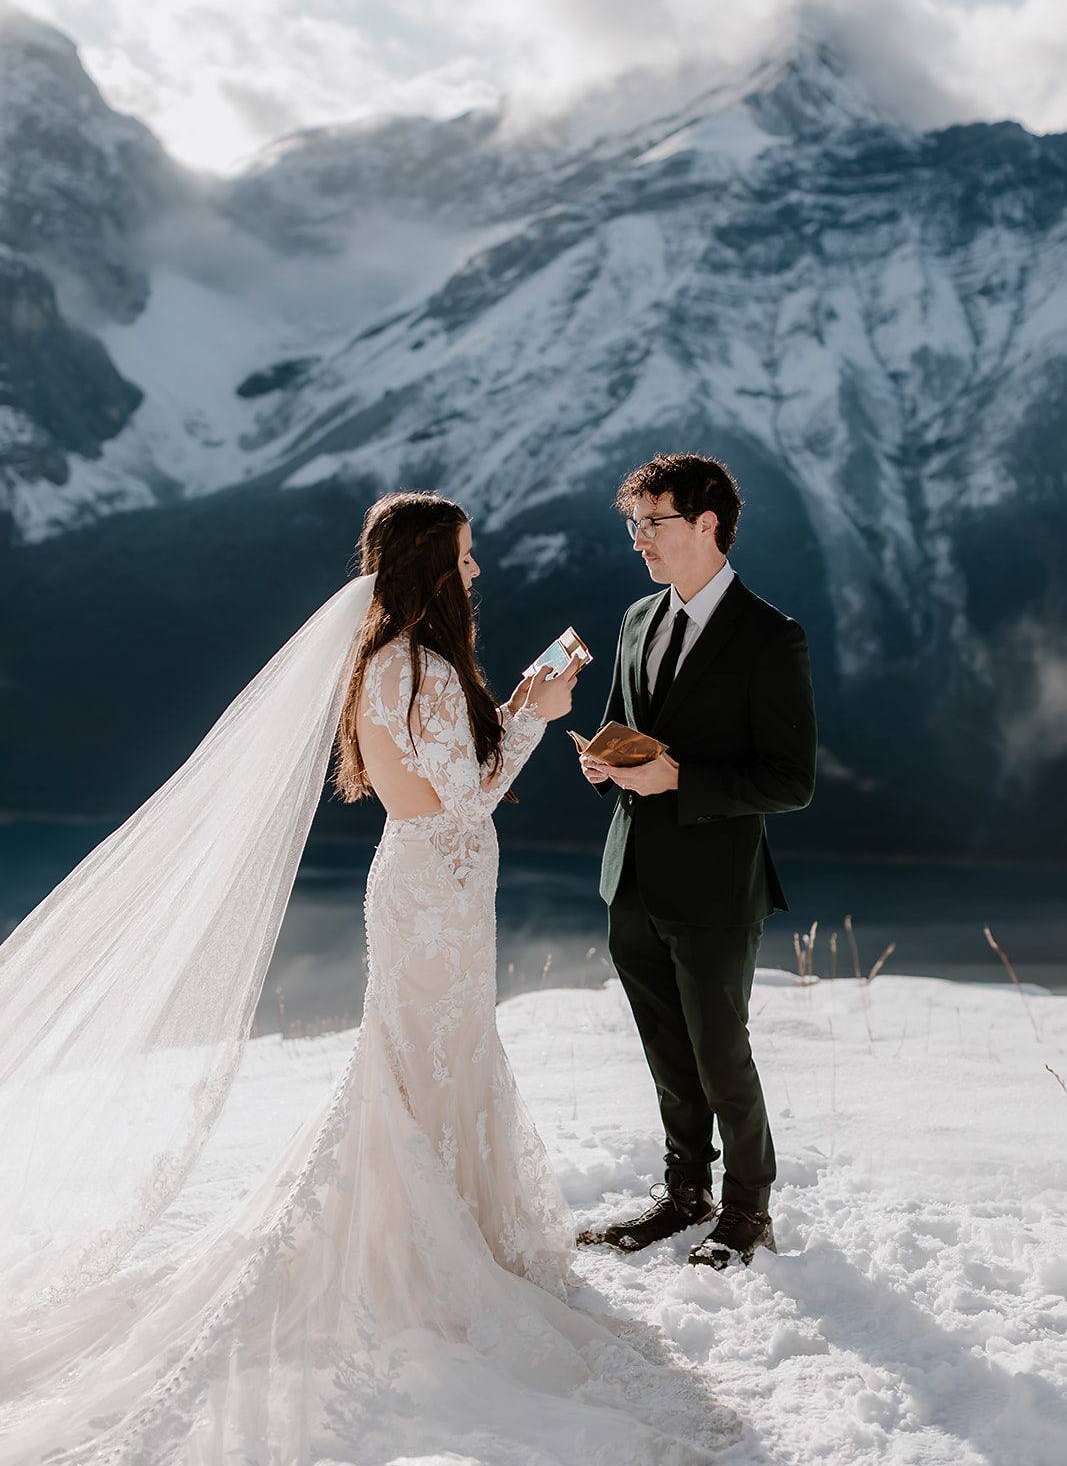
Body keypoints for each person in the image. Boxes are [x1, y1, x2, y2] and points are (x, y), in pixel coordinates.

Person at [0, 490, 732, 1465]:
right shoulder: (412, 665)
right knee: (417, 1063)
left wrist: (512, 707)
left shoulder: (406, 665)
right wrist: (538, 715)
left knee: (435, 1059)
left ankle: (444, 1231)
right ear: (432, 566)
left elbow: (450, 790)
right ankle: (426, 1254)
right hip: (431, 893)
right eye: (465, 559)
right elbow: (461, 802)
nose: (476, 573)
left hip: (437, 890)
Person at [579, 453, 817, 1270]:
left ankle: (749, 1209)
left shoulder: (770, 636)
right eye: (633, 524)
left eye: (654, 523)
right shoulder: (635, 619)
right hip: (631, 873)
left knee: (721, 1052)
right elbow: (621, 719)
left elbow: (792, 782)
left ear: (706, 523)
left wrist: (682, 778)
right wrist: (603, 760)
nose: (639, 539)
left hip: (717, 885)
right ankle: (686, 1192)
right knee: (666, 1051)